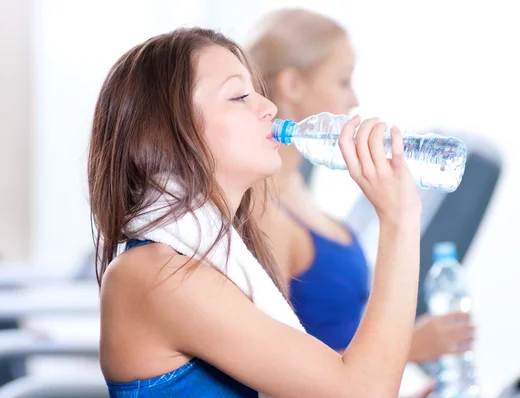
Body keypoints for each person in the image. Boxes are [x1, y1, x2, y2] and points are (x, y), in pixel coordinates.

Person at [88, 26, 421, 397]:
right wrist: (400, 220)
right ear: (168, 133)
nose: (269, 107)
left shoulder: (214, 258)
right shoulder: (159, 275)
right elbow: (363, 392)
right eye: (240, 96)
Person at [247, 8, 474, 364]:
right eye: (342, 81)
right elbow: (272, 373)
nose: (353, 100)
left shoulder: (296, 192)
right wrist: (410, 348)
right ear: (292, 84)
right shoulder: (262, 211)